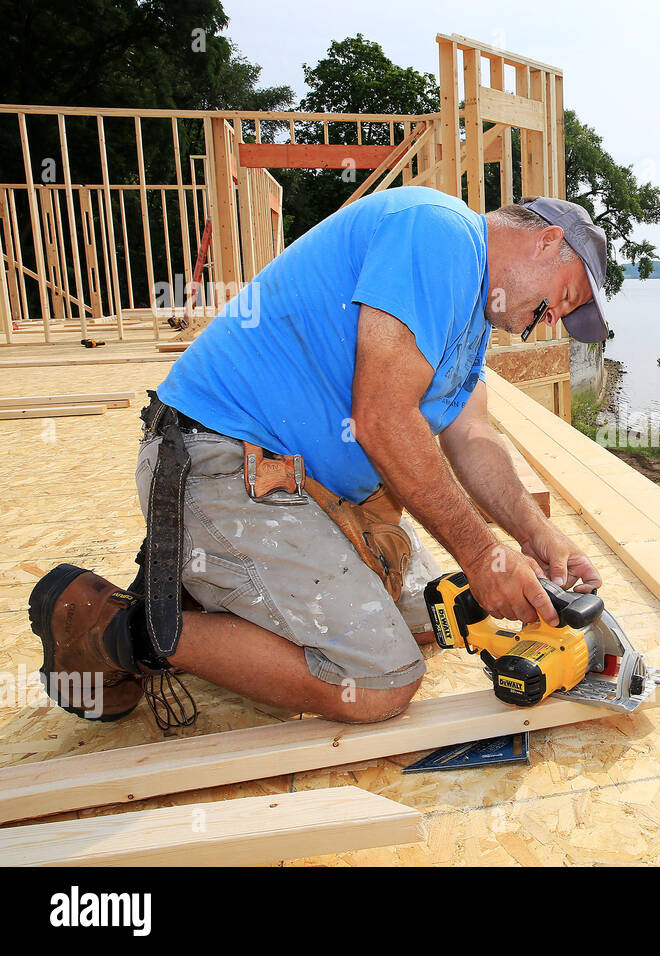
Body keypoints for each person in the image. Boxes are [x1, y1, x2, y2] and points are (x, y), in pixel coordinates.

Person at [29, 188, 611, 728]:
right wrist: (482, 553)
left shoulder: (471, 322)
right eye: (563, 299)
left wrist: (536, 538)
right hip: (218, 464)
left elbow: (474, 436)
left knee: (438, 616)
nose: (550, 322)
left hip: (298, 490)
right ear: (547, 241)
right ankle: (121, 628)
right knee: (379, 681)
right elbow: (382, 418)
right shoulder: (438, 234)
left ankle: (203, 580)